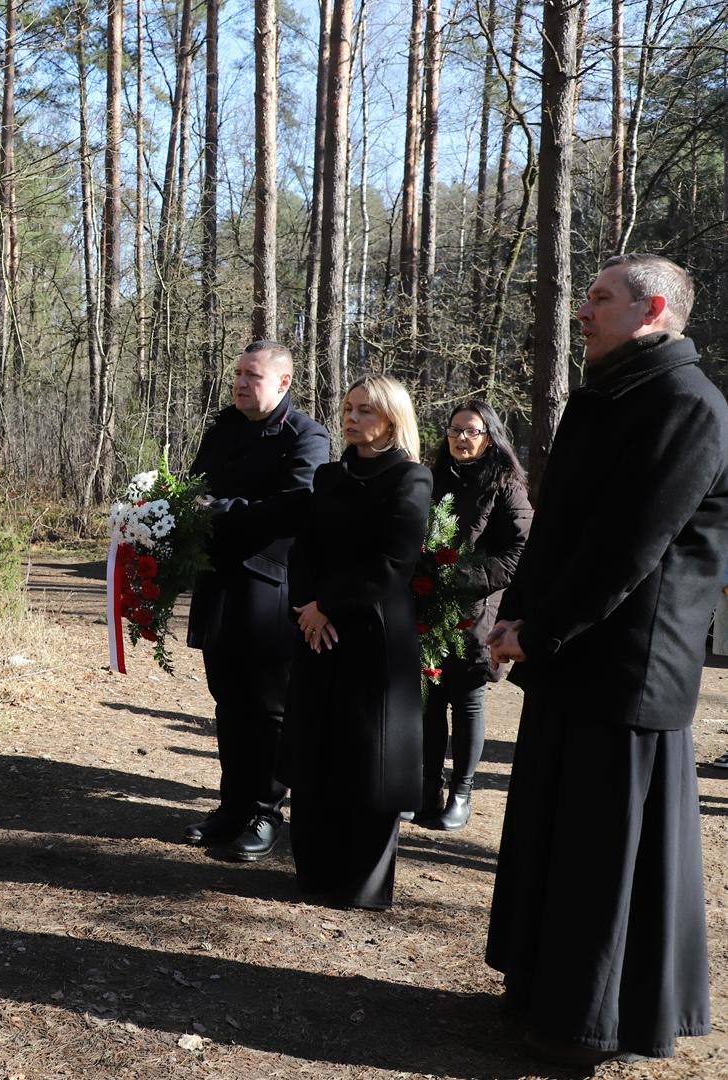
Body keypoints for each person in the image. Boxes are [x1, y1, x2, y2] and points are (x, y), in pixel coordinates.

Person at [486, 253, 728, 1065]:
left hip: (629, 667)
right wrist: (516, 614)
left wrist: (542, 629)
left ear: (653, 309)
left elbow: (630, 548)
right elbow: (561, 533)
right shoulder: (608, 396)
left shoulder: (687, 404)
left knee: (605, 854)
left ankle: (593, 1025)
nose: (582, 311)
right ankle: (543, 991)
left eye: (600, 299)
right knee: (559, 837)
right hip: (574, 655)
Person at [280, 375, 431, 909]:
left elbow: (393, 564)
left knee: (369, 758)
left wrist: (328, 605)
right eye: (347, 408)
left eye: (365, 410)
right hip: (317, 632)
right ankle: (313, 872)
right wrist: (307, 608)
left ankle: (360, 884)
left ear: (391, 419)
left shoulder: (411, 479)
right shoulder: (327, 476)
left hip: (373, 637)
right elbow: (303, 551)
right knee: (317, 751)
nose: (351, 417)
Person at [181, 342, 329, 860]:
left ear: (284, 382)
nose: (241, 383)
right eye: (238, 374)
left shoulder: (306, 436)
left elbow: (295, 508)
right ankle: (231, 805)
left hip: (269, 588)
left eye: (253, 376)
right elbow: (192, 486)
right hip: (219, 582)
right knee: (227, 700)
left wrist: (220, 509)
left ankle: (266, 812)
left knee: (267, 708)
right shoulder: (224, 426)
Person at [412, 401, 531, 831]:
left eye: (473, 431)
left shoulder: (506, 484)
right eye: (455, 430)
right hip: (428, 604)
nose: (462, 438)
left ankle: (460, 792)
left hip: (477, 608)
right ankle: (426, 787)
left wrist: (461, 577)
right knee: (427, 700)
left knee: (465, 700)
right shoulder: (430, 479)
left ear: (490, 435)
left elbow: (517, 552)